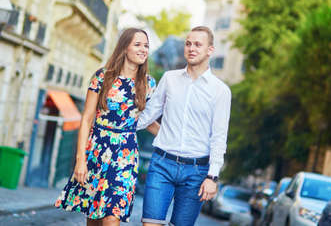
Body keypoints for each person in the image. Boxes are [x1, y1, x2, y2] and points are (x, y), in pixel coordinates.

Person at [55, 28, 159, 226]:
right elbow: (86, 119)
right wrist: (80, 160)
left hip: (125, 155)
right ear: (124, 48)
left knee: (112, 216)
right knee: (94, 217)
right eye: (137, 44)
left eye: (146, 45)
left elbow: (147, 122)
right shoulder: (103, 77)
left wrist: (173, 140)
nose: (143, 49)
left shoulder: (148, 84)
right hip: (97, 150)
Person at [137, 26, 232, 226]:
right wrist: (114, 124)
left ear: (210, 50)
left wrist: (212, 177)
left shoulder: (221, 91)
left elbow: (218, 137)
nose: (191, 48)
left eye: (198, 44)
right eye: (188, 43)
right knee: (150, 223)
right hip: (162, 164)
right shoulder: (170, 79)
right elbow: (147, 116)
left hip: (196, 172)